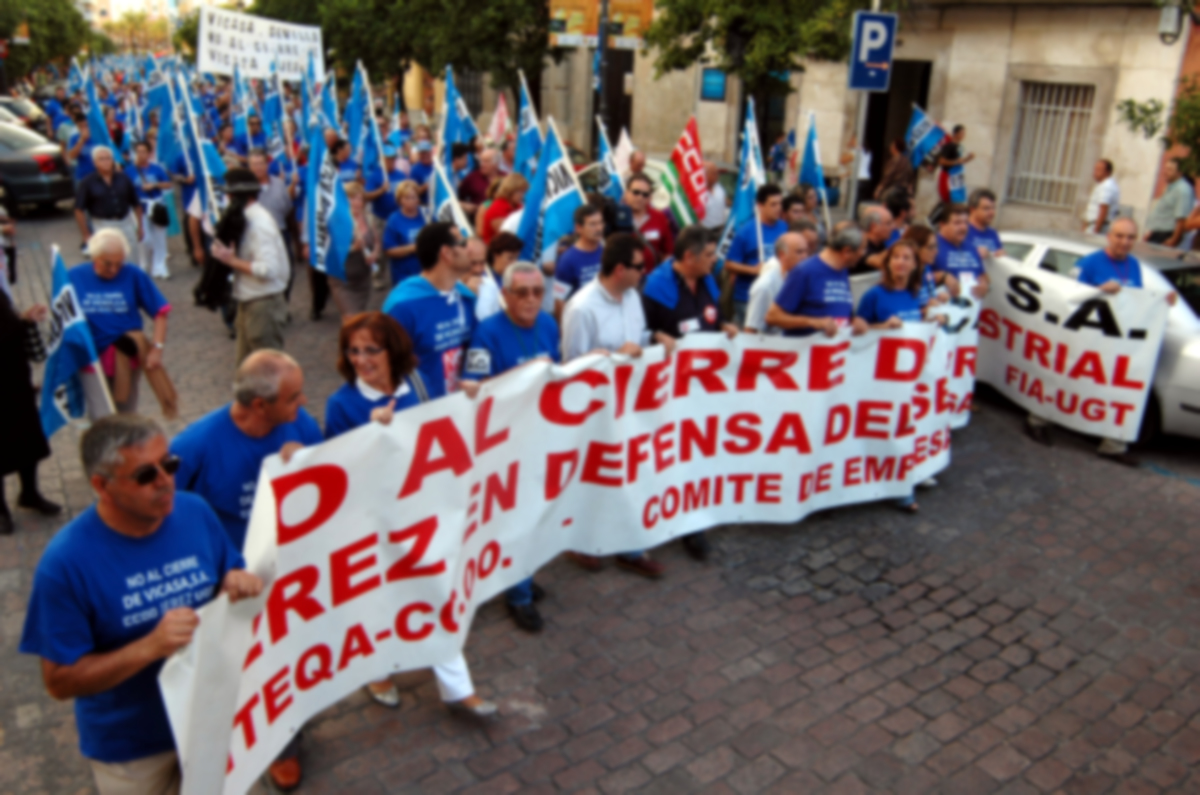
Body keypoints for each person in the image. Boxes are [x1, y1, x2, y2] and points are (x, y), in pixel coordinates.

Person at [20, 414, 262, 795]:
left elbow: (226, 566)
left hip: (211, 719)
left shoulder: (195, 511)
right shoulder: (65, 564)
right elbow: (59, 682)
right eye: (146, 475)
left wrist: (233, 578)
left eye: (169, 464)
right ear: (102, 485)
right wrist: (149, 647)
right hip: (133, 750)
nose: (166, 482)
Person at [322, 312, 499, 714]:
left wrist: (468, 398)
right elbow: (339, 471)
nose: (361, 360)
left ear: (393, 350)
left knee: (435, 590)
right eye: (353, 351)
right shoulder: (342, 404)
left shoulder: (422, 381)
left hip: (425, 510)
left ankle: (458, 688)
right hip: (377, 519)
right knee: (380, 596)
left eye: (371, 350)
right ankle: (377, 670)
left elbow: (444, 424)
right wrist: (370, 436)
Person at [562, 233, 675, 579]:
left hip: (630, 404)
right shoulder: (581, 308)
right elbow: (572, 367)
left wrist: (654, 337)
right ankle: (579, 539)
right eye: (640, 267)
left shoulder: (632, 297)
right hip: (595, 410)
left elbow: (635, 340)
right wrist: (613, 358)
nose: (645, 273)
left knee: (630, 470)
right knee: (593, 474)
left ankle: (630, 548)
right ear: (620, 269)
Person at [1025, 218, 1177, 464]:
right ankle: (1037, 420)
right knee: (1061, 377)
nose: (1124, 242)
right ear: (1109, 236)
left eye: (1130, 237)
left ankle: (1112, 444)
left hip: (1113, 341)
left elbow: (1136, 301)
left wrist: (1162, 301)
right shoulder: (1088, 263)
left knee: (1116, 390)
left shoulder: (1134, 266)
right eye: (1119, 236)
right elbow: (1068, 296)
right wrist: (1099, 289)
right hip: (1081, 336)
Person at [462, 264, 560, 630]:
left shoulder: (549, 324)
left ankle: (522, 577)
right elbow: (474, 386)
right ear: (505, 296)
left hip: (542, 435)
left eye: (537, 291)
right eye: (522, 292)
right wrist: (526, 372)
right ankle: (518, 595)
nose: (532, 299)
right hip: (504, 443)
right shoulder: (486, 332)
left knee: (535, 516)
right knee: (515, 520)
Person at [641, 226, 738, 561]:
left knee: (697, 452)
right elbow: (639, 330)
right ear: (688, 257)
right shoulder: (656, 288)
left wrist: (725, 326)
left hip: (703, 387)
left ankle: (692, 522)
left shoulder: (709, 279)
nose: (716, 260)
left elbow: (715, 316)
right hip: (668, 392)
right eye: (710, 255)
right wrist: (656, 336)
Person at [856, 240, 946, 513]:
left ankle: (913, 471)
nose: (901, 263)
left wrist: (931, 322)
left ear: (914, 264)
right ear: (888, 262)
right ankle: (899, 490)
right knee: (891, 429)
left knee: (910, 424)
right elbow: (858, 331)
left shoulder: (914, 294)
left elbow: (916, 325)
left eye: (907, 258)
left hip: (909, 374)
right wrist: (882, 326)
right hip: (881, 375)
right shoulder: (874, 295)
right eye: (896, 257)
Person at [70, 229, 173, 416]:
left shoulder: (133, 274)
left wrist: (157, 349)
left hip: (124, 356)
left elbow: (160, 312)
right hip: (90, 357)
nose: (114, 270)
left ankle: (123, 445)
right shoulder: (75, 277)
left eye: (119, 263)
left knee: (125, 414)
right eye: (107, 264)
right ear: (95, 257)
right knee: (101, 416)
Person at [383, 222, 479, 400]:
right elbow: (387, 367)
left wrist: (476, 378)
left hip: (464, 405)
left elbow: (478, 346)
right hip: (424, 411)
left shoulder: (466, 298)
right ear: (447, 253)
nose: (470, 249)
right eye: (463, 242)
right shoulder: (402, 306)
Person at [209, 168, 291, 365]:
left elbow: (268, 269)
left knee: (267, 371)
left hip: (263, 304)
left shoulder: (259, 223)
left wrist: (232, 261)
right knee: (246, 371)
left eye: (228, 194)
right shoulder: (247, 218)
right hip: (250, 301)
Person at [0, 291, 59, 535]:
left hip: (15, 384)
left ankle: (29, 493)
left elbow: (10, 329)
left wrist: (25, 320)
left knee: (26, 441)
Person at [766, 224, 869, 338]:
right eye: (862, 249)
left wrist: (854, 321)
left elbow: (838, 313)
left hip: (832, 352)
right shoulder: (805, 271)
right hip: (804, 352)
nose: (863, 254)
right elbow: (773, 317)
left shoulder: (843, 271)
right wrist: (814, 322)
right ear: (847, 251)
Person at [724, 184, 789, 326]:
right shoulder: (746, 231)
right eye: (773, 204)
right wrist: (753, 270)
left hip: (776, 296)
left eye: (780, 203)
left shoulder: (785, 227)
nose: (778, 208)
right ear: (760, 205)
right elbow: (729, 264)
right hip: (748, 297)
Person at [75, 146, 143, 255]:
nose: (106, 162)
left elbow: (136, 204)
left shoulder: (123, 178)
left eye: (108, 158)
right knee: (109, 259)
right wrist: (85, 234)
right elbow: (79, 209)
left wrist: (140, 226)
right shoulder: (87, 182)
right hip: (103, 225)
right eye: (101, 159)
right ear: (95, 163)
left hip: (125, 223)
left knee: (131, 257)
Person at [745, 231, 809, 335]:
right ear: (782, 255)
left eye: (806, 251)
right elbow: (751, 330)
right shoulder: (765, 286)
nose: (805, 257)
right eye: (799, 252)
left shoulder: (802, 279)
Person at [329, 182, 377, 315]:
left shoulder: (368, 217)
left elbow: (376, 241)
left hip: (362, 278)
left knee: (358, 317)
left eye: (359, 198)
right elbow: (331, 251)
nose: (356, 202)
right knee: (351, 317)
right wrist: (352, 248)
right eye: (351, 198)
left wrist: (374, 253)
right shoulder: (336, 221)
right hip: (342, 280)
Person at [126, 141, 172, 280]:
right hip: (139, 207)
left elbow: (168, 183)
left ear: (149, 153)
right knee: (144, 238)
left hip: (156, 205)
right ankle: (143, 264)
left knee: (160, 237)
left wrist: (155, 185)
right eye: (138, 152)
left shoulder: (157, 168)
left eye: (144, 151)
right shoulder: (129, 170)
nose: (141, 155)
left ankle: (160, 266)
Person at [932, 203, 990, 299]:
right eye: (957, 223)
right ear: (942, 224)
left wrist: (984, 284)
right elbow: (917, 278)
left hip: (969, 307)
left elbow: (982, 274)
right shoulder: (932, 245)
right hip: (941, 307)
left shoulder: (971, 247)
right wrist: (942, 276)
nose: (963, 227)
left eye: (966, 223)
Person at [554, 204, 606, 306]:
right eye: (592, 224)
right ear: (579, 228)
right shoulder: (567, 260)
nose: (599, 228)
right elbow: (559, 300)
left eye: (601, 223)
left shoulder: (607, 252)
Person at [622, 174, 674, 270]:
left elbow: (668, 252)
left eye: (645, 194)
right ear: (626, 193)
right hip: (622, 281)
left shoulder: (660, 218)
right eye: (636, 192)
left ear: (650, 198)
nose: (640, 197)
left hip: (650, 280)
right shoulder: (616, 216)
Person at [382, 180, 427, 287]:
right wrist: (412, 248)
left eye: (414, 197)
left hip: (426, 272)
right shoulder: (394, 219)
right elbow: (388, 250)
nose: (411, 201)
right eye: (407, 198)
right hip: (404, 274)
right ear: (400, 200)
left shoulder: (426, 214)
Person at [475, 232, 524, 321]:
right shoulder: (483, 280)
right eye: (510, 258)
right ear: (496, 255)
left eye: (517, 258)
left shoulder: (515, 279)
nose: (515, 263)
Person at [1145, 158, 1194, 247]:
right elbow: (1163, 211)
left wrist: (1174, 240)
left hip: (1166, 235)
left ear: (1179, 172)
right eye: (1166, 169)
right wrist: (1151, 231)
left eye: (1170, 170)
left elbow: (1181, 219)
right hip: (1157, 233)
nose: (1166, 172)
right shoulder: (1170, 186)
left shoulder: (1183, 190)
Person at [480, 173, 527, 244]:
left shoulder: (518, 205)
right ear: (510, 190)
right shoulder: (497, 208)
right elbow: (508, 236)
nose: (522, 195)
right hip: (497, 251)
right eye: (520, 192)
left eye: (524, 192)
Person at [964, 188, 1006, 259]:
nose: (992, 213)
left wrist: (1002, 255)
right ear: (972, 210)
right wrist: (974, 253)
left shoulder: (993, 233)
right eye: (986, 208)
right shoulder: (962, 230)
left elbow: (999, 254)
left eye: (993, 208)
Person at [936, 125, 974, 204]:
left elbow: (959, 161)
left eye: (964, 133)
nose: (963, 135)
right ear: (956, 133)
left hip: (956, 177)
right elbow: (941, 161)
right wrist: (956, 162)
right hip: (947, 175)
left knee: (955, 201)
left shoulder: (959, 147)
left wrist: (968, 158)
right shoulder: (949, 146)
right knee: (947, 200)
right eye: (962, 133)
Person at [459, 147, 499, 218]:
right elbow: (458, 198)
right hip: (476, 219)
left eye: (486, 161)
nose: (482, 164)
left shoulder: (505, 178)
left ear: (496, 164)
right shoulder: (472, 177)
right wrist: (465, 205)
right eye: (481, 161)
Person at [1083, 159, 1119, 234]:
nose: (1095, 173)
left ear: (1107, 172)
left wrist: (1096, 231)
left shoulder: (1107, 186)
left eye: (1099, 170)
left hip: (1098, 228)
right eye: (1095, 169)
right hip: (1092, 225)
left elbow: (1103, 208)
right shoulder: (1102, 185)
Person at [854, 205, 894, 272]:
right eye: (888, 223)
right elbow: (880, 263)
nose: (893, 227)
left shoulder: (880, 243)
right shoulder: (857, 244)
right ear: (873, 227)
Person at [67, 113, 97, 181]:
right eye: (81, 126)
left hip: (98, 175)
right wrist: (82, 140)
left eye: (86, 125)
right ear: (77, 127)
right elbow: (72, 156)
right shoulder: (74, 138)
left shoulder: (97, 136)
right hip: (83, 176)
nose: (84, 128)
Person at [702, 160, 728, 230]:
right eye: (714, 173)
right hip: (704, 231)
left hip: (720, 229)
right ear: (705, 174)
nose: (717, 176)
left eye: (717, 173)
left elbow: (724, 202)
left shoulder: (719, 188)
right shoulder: (699, 191)